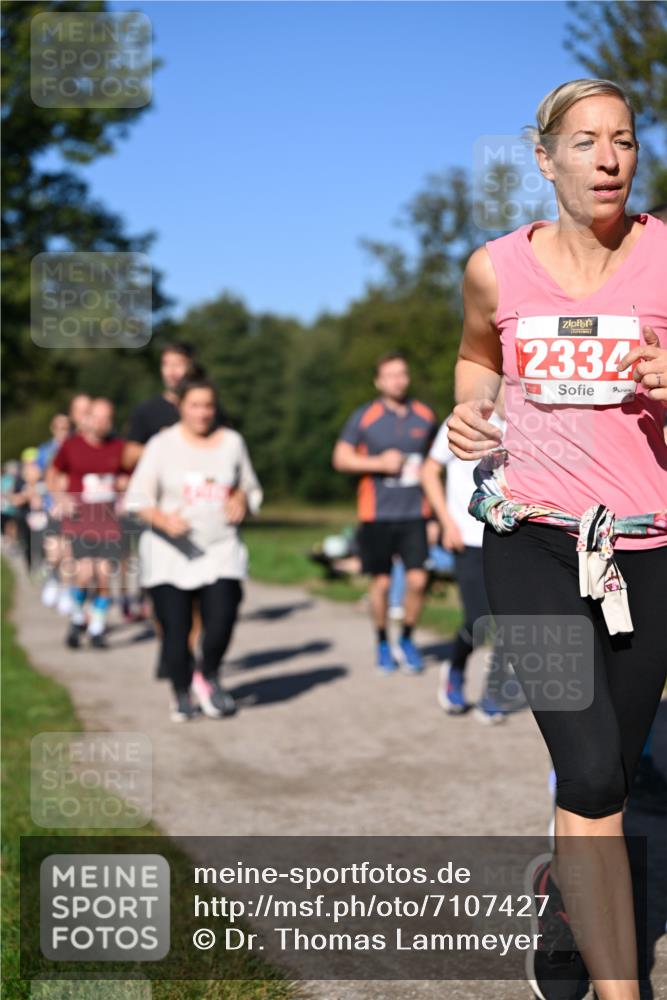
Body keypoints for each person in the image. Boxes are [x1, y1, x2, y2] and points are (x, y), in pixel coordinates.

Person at [447, 79, 667, 1000]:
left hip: (645, 550)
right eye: (584, 142)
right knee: (586, 771)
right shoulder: (495, 268)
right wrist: (469, 408)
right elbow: (475, 356)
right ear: (544, 159)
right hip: (529, 541)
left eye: (623, 139)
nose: (608, 159)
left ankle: (564, 900)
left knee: (605, 771)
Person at [126, 376, 262, 722]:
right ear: (181, 407)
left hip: (220, 548)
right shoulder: (161, 445)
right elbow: (136, 498)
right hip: (169, 553)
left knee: (223, 618)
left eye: (209, 406)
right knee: (176, 629)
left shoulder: (232, 442)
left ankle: (208, 673)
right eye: (195, 405)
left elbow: (249, 486)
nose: (203, 413)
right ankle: (181, 692)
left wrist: (241, 499)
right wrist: (161, 519)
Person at [421, 383, 526, 723]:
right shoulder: (468, 418)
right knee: (477, 620)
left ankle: (493, 692)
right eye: (510, 386)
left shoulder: (528, 425)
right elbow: (429, 470)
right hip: (466, 537)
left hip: (512, 537)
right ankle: (454, 668)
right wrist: (445, 521)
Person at [332, 352, 438, 674]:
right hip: (376, 514)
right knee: (381, 583)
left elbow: (435, 465)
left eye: (402, 374)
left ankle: (406, 638)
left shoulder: (425, 416)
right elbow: (340, 459)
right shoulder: (365, 417)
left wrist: (435, 516)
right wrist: (378, 463)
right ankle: (381, 641)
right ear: (378, 381)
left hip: (415, 513)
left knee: (418, 580)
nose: (398, 381)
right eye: (390, 375)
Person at [47, 398, 130, 648]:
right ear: (88, 418)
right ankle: (76, 619)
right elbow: (52, 474)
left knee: (103, 576)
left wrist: (124, 486)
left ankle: (96, 629)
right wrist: (60, 497)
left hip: (108, 522)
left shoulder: (118, 447)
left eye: (107, 418)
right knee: (83, 575)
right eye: (98, 417)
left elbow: (130, 475)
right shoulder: (72, 446)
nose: (102, 423)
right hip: (80, 520)